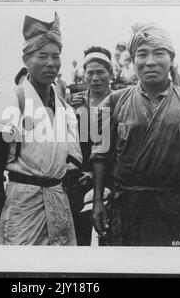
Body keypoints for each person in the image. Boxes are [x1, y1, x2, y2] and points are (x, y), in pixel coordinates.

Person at [91, 23, 180, 247]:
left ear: (171, 60)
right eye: (142, 54)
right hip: (126, 210)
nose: (150, 61)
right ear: (133, 61)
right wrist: (97, 202)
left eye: (159, 53)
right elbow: (99, 156)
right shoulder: (114, 102)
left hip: (175, 207)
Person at [0, 12, 82, 245]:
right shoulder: (12, 101)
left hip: (58, 201)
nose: (51, 63)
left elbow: (72, 161)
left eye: (56, 57)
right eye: (42, 56)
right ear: (26, 60)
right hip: (23, 201)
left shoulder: (63, 106)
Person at [67, 46, 113, 246]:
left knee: (109, 235)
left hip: (111, 178)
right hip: (79, 179)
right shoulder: (75, 102)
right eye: (90, 72)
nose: (95, 77)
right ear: (84, 75)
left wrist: (98, 175)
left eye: (100, 72)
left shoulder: (120, 101)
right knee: (79, 237)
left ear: (109, 73)